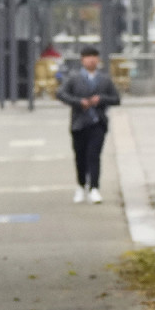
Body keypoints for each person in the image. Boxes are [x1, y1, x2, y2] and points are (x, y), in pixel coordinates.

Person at [58, 46, 122, 202]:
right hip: (79, 124)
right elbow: (61, 93)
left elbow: (116, 99)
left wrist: (101, 99)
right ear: (82, 60)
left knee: (94, 155)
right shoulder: (74, 78)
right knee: (80, 156)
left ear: (98, 59)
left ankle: (94, 187)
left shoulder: (104, 80)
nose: (91, 60)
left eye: (94, 56)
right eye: (88, 57)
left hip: (97, 123)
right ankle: (81, 185)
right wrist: (79, 102)